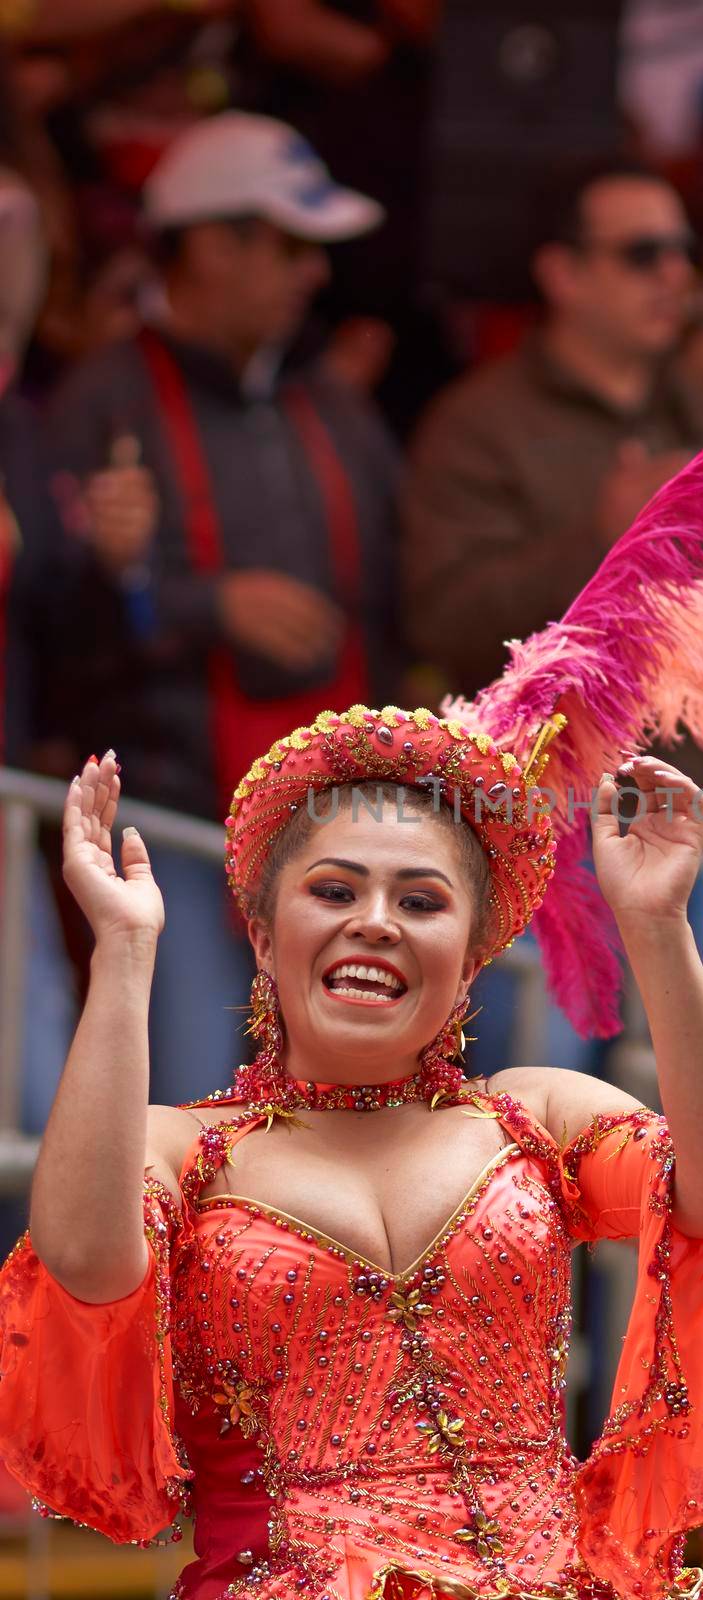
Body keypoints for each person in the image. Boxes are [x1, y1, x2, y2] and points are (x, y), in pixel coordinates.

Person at [0, 711, 703, 1598]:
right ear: (261, 935)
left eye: (421, 901)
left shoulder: (538, 1113)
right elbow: (84, 1260)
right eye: (334, 892)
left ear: (472, 960)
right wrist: (127, 952)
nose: (375, 923)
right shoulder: (185, 1148)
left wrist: (655, 924)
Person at [47, 110, 400, 1102]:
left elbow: (394, 601)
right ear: (209, 244)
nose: (313, 273)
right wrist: (203, 605)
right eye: (289, 246)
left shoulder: (329, 402)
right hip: (174, 835)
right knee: (198, 1100)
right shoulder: (98, 401)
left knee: (343, 1105)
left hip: (340, 835)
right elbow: (48, 638)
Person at [403, 160, 703, 1048]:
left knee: (684, 1115)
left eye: (682, 253)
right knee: (535, 1106)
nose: (674, 276)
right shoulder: (478, 423)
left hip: (695, 818)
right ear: (562, 275)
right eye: (642, 253)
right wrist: (600, 549)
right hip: (539, 832)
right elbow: (441, 619)